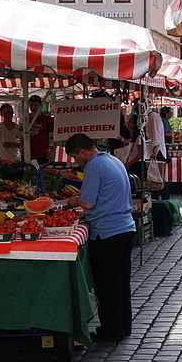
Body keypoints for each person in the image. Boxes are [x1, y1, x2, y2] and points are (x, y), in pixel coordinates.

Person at [65, 133, 135, 343]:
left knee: (107, 284)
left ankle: (112, 330)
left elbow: (88, 203)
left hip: (107, 232)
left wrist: (73, 200)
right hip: (125, 228)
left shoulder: (94, 166)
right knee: (121, 281)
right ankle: (124, 325)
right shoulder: (112, 159)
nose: (77, 162)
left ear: (83, 152)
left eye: (76, 157)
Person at [126, 102, 168, 199]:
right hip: (150, 152)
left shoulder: (153, 116)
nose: (136, 112)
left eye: (137, 109)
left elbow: (156, 135)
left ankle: (164, 200)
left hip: (156, 152)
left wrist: (155, 151)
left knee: (158, 178)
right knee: (154, 177)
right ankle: (156, 199)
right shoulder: (147, 118)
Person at [24, 95, 54, 164]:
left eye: (35, 105)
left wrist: (53, 149)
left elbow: (57, 134)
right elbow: (21, 133)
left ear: (40, 106)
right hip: (26, 154)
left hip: (42, 155)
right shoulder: (26, 118)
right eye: (31, 105)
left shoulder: (47, 119)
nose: (33, 107)